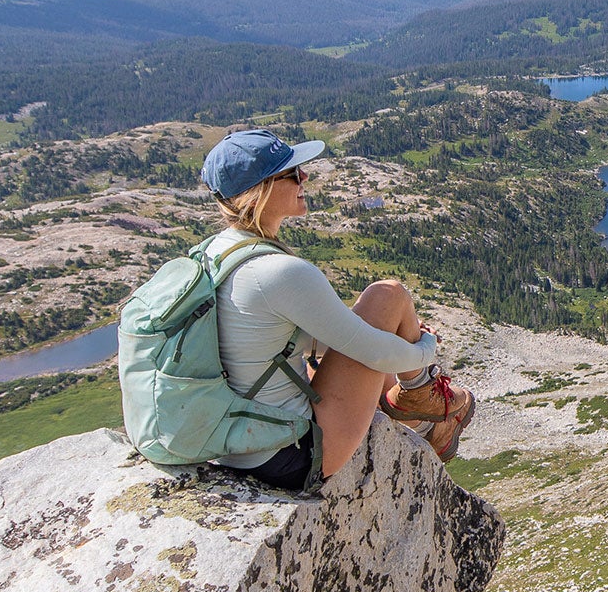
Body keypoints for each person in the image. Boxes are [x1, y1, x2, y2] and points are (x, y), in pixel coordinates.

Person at [197, 128, 475, 491]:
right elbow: (373, 352)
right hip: (290, 457)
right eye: (292, 172)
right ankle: (422, 397)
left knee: (372, 328)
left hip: (233, 441)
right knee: (387, 296)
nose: (305, 177)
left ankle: (422, 420)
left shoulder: (214, 252)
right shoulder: (278, 272)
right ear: (259, 192)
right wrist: (424, 347)